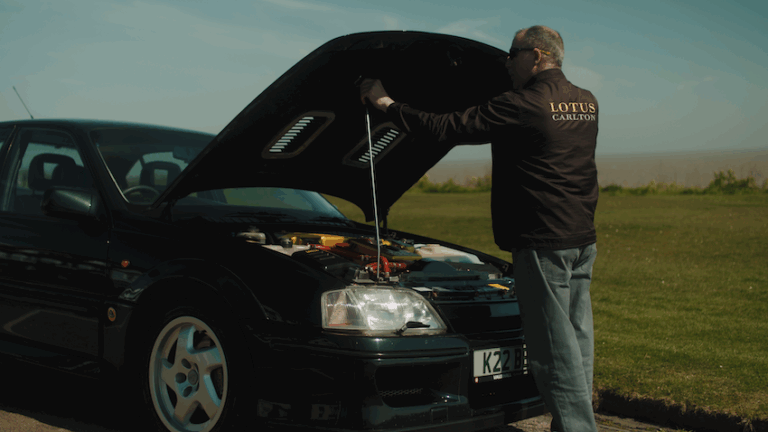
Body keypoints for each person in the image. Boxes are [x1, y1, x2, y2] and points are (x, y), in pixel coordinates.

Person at [360, 25, 599, 432]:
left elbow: (445, 127)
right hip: (581, 237)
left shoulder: (525, 103)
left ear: (536, 57)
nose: (507, 62)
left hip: (542, 241)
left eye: (513, 53)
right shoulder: (587, 102)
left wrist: (384, 103)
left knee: (551, 350)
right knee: (577, 341)